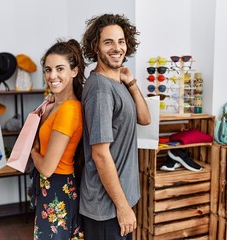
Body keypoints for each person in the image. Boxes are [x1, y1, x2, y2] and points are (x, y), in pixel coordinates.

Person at [80, 13, 151, 239]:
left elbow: (145, 118)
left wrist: (130, 82)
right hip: (106, 207)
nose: (116, 48)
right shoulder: (101, 89)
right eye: (108, 42)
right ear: (95, 47)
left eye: (121, 41)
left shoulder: (117, 82)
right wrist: (122, 207)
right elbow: (100, 154)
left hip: (117, 200)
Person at [30, 39, 85, 240]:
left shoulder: (69, 110)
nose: (52, 76)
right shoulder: (55, 104)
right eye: (48, 70)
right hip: (52, 187)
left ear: (74, 71)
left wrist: (32, 151)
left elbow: (46, 167)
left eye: (59, 69)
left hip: (57, 188)